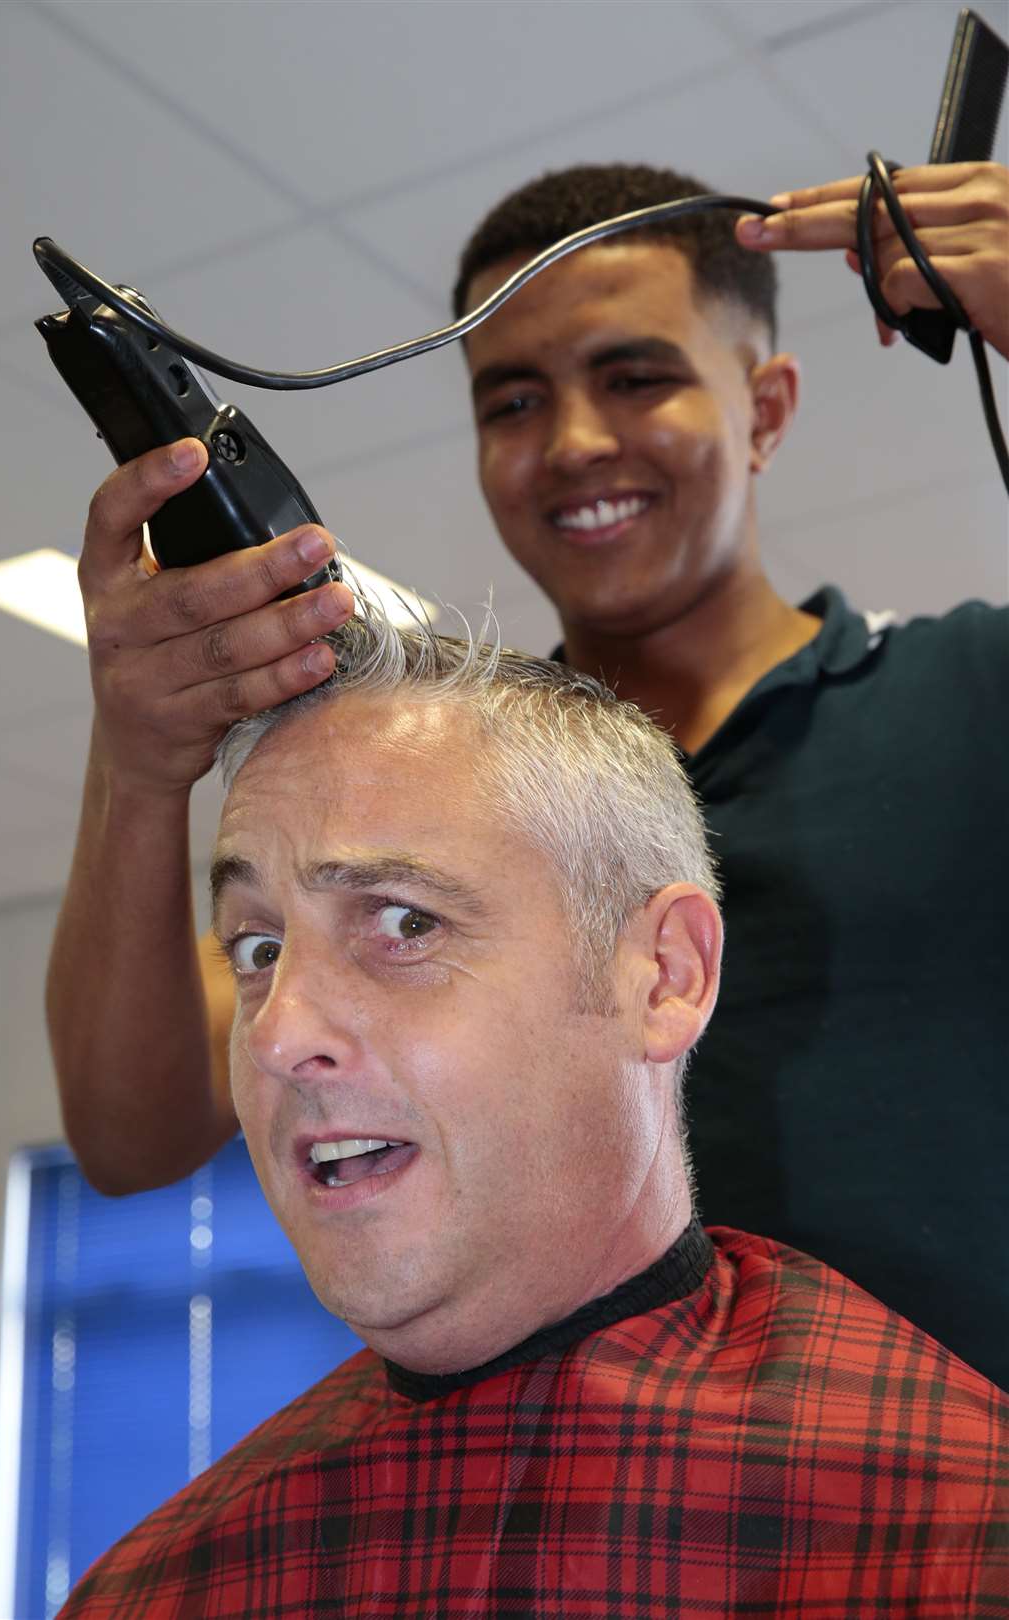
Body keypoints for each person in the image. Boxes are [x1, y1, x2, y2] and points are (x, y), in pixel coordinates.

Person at [45, 160, 1009, 1385]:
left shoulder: (978, 690)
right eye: (512, 403)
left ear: (765, 409)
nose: (574, 443)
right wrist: (136, 771)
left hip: (928, 1518)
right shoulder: (435, 787)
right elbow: (129, 1137)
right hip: (550, 1524)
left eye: (636, 377)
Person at [56, 611, 1007, 1618]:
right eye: (257, 949)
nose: (277, 1034)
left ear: (665, 977)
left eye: (404, 923)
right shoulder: (160, 1590)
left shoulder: (953, 1535)